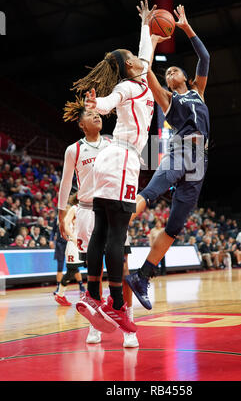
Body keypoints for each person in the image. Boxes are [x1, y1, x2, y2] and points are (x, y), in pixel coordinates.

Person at [75, 0, 166, 333]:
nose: (140, 60)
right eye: (134, 59)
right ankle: (115, 305)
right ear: (129, 67)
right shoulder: (130, 86)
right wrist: (95, 103)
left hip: (108, 161)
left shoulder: (140, 80)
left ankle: (91, 296)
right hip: (122, 160)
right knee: (117, 233)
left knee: (101, 230)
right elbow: (110, 101)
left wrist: (145, 25)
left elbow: (145, 55)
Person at [125, 4, 210, 310]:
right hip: (179, 150)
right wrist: (149, 35)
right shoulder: (167, 99)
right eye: (168, 72)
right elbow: (144, 69)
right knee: (151, 192)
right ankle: (118, 218)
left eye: (175, 70)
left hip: (200, 160)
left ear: (187, 77)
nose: (171, 72)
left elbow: (205, 57)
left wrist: (186, 27)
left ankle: (142, 276)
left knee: (175, 226)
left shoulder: (198, 91)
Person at [58, 96, 138, 347]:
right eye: (91, 115)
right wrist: (62, 214)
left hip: (113, 208)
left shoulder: (113, 143)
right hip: (86, 211)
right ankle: (95, 325)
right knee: (95, 272)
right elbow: (64, 182)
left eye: (99, 114)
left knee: (122, 269)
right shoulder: (74, 149)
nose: (97, 116)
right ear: (81, 124)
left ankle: (128, 326)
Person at [54, 196, 86, 307]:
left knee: (93, 267)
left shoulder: (88, 209)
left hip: (86, 243)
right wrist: (73, 237)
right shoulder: (74, 208)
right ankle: (60, 294)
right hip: (74, 244)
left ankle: (92, 295)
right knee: (71, 271)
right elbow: (65, 224)